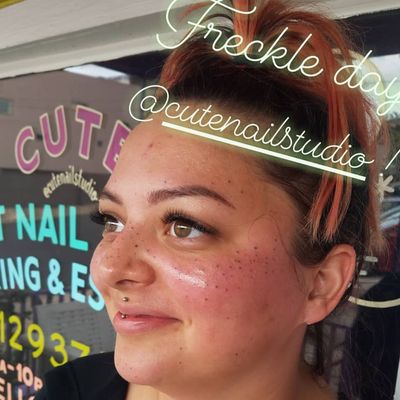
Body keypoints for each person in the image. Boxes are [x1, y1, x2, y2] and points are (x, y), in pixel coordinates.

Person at [34, 0, 387, 399]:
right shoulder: (66, 391)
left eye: (184, 226)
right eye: (112, 221)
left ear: (320, 285)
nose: (108, 268)